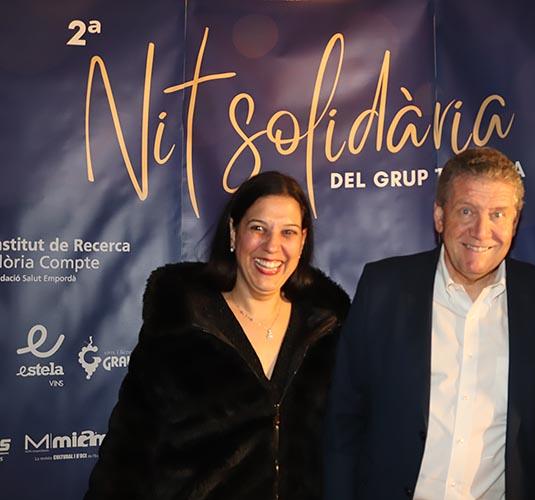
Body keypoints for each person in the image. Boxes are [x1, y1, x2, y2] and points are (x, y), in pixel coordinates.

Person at [324, 147, 535, 500]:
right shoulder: (383, 289)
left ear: (514, 224)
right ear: (440, 217)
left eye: (498, 214)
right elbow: (344, 418)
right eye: (467, 211)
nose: (481, 231)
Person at [85, 171, 349, 500]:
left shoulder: (328, 332)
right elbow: (126, 458)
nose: (272, 246)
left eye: (288, 232)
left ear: (302, 241)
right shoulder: (180, 327)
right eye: (258, 228)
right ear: (234, 233)